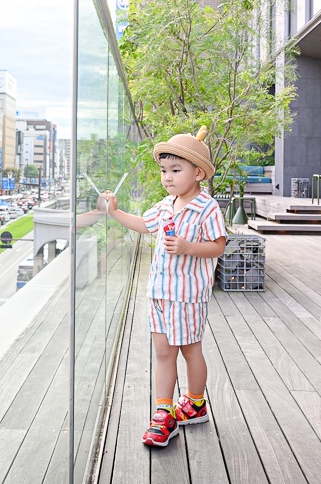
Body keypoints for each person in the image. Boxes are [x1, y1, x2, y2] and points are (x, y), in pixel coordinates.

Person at [101, 126, 227, 448]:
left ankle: (196, 401)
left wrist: (188, 247)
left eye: (175, 170)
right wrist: (115, 212)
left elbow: (218, 246)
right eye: (163, 171)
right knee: (162, 351)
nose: (167, 177)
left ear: (198, 173)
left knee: (189, 349)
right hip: (159, 293)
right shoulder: (166, 204)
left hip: (186, 296)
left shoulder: (206, 207)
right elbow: (145, 225)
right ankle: (164, 413)